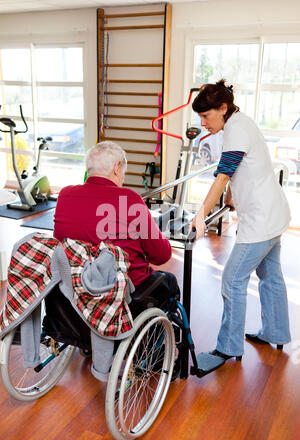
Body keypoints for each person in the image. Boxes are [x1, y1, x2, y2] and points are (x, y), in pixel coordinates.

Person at [190, 79, 291, 361]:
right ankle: (276, 332)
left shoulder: (236, 130)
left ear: (223, 108)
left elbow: (223, 175)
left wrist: (201, 216)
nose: (203, 123)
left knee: (233, 279)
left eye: (206, 116)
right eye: (200, 117)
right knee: (270, 276)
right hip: (273, 213)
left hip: (261, 220)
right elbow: (235, 170)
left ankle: (228, 347)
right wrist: (229, 199)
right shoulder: (238, 124)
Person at [54, 140, 180, 316]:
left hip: (73, 291)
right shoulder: (129, 199)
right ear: (117, 167)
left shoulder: (65, 194)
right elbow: (162, 255)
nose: (122, 178)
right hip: (120, 296)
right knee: (170, 282)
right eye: (123, 173)